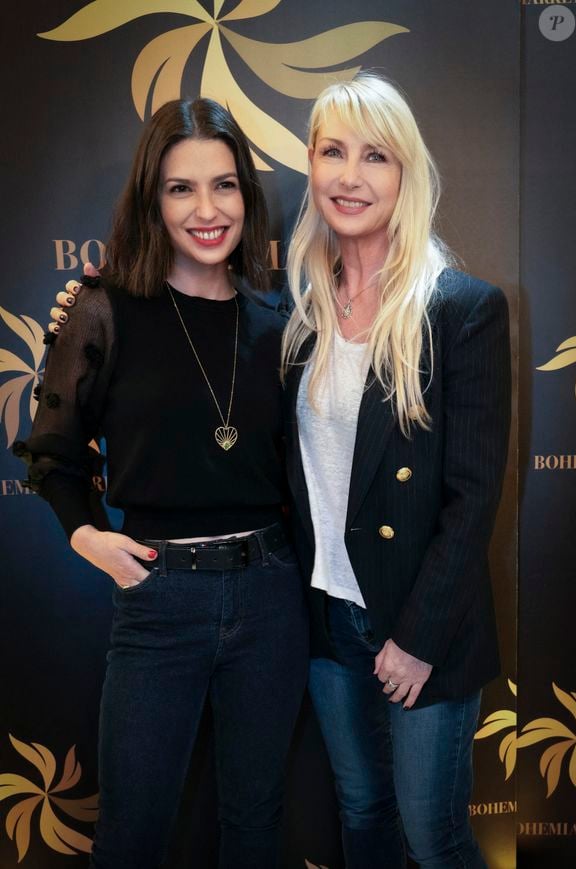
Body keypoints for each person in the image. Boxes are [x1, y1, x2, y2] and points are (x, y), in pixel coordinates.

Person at [16, 98, 308, 869]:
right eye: (181, 188)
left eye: (224, 185)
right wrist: (85, 534)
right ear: (152, 198)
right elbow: (54, 449)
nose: (207, 210)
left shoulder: (276, 322)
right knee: (133, 835)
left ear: (247, 193)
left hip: (272, 595)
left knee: (255, 824)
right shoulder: (102, 309)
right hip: (158, 601)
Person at [280, 73, 511, 867]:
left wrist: (415, 638)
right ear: (309, 164)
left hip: (422, 624)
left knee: (433, 836)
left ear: (405, 173)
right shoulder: (297, 309)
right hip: (326, 618)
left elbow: (473, 495)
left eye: (375, 156)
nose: (351, 176)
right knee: (362, 811)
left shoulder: (459, 309)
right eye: (333, 152)